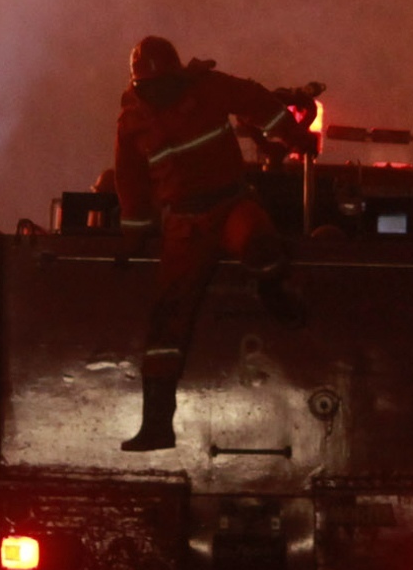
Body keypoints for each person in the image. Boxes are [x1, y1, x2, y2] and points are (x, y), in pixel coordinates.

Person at [112, 35, 317, 452]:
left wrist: (295, 137)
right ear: (138, 85)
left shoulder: (207, 87)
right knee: (168, 319)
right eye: (149, 86)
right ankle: (156, 425)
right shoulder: (132, 121)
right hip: (185, 224)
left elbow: (255, 101)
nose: (158, 93)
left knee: (260, 244)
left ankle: (275, 292)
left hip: (230, 204)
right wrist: (133, 232)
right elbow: (129, 180)